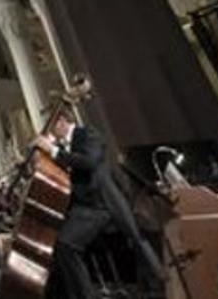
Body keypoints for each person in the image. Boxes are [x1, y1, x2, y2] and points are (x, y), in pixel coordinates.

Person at [32, 107, 162, 299]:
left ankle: (162, 285)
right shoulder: (65, 146)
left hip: (104, 201)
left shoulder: (87, 134)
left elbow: (89, 162)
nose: (50, 132)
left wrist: (53, 150)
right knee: (64, 244)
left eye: (52, 127)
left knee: (138, 241)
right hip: (86, 206)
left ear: (61, 121)